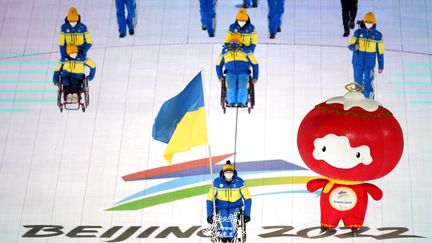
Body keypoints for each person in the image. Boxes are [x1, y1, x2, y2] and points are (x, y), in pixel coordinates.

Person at [206, 161, 252, 242]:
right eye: (226, 172)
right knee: (223, 218)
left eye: (230, 172)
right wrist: (209, 215)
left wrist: (247, 214)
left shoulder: (239, 182)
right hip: (220, 207)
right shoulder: (216, 182)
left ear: (233, 172)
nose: (228, 174)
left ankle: (231, 238)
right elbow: (210, 199)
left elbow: (248, 198)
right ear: (223, 173)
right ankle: (223, 237)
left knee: (232, 217)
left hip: (235, 206)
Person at [216, 33, 259, 107]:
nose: (234, 42)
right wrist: (220, 76)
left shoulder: (246, 51)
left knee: (242, 87)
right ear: (229, 41)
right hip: (230, 73)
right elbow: (218, 65)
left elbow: (255, 64)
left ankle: (241, 102)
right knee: (231, 87)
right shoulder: (225, 52)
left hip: (244, 73)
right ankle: (231, 102)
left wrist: (255, 77)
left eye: (236, 40)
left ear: (240, 42)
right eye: (232, 40)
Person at [348, 12, 384, 100]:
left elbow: (380, 52)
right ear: (364, 21)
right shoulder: (357, 33)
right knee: (358, 81)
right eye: (367, 21)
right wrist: (354, 47)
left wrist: (381, 66)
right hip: (357, 62)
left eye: (370, 22)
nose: (368, 23)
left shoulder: (378, 36)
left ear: (374, 23)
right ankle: (359, 99)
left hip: (369, 64)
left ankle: (369, 99)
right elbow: (350, 46)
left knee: (368, 81)